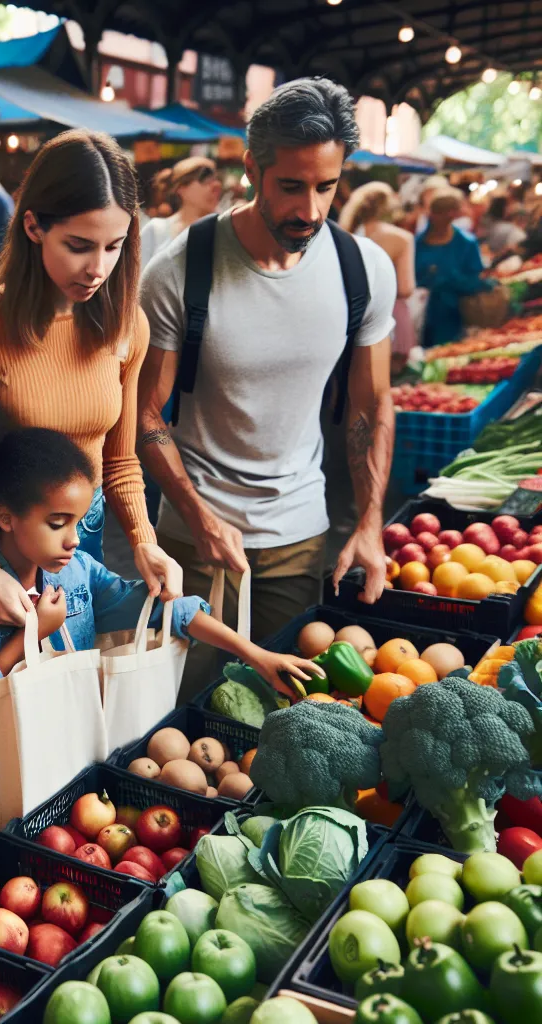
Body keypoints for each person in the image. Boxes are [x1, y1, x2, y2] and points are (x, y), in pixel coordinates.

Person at [0, 410, 321, 870]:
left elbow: (172, 612)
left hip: (57, 771)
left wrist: (256, 655)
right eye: (57, 523)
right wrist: (30, 634)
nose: (74, 540)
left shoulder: (77, 575)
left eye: (78, 522)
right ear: (5, 517)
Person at [138, 77, 397, 702]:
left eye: (326, 187)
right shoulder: (180, 270)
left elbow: (370, 405)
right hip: (192, 543)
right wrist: (198, 517)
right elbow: (144, 416)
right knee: (186, 722)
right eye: (291, 186)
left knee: (285, 717)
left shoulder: (363, 270)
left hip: (300, 537)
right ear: (252, 168)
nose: (310, 209)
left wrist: (369, 523)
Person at [0, 129, 184, 629]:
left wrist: (145, 542)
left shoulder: (130, 326)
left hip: (83, 542)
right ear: (33, 226)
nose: (98, 268)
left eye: (114, 247)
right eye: (79, 245)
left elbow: (121, 458)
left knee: (67, 694)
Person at [339, 181, 417, 373]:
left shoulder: (344, 235)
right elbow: (405, 288)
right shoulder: (401, 238)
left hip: (352, 316)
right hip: (392, 315)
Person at [416, 187, 495, 347]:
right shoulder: (417, 243)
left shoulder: (466, 243)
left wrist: (447, 279)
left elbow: (475, 280)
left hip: (456, 316)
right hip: (419, 316)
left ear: (451, 215)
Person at [139, 157, 222, 268]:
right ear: (181, 188)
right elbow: (136, 280)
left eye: (216, 178)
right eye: (205, 178)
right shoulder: (155, 231)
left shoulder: (226, 231)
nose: (216, 186)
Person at [480, 195, 528, 260]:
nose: (509, 209)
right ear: (502, 208)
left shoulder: (486, 221)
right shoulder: (507, 228)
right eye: (507, 206)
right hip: (490, 260)